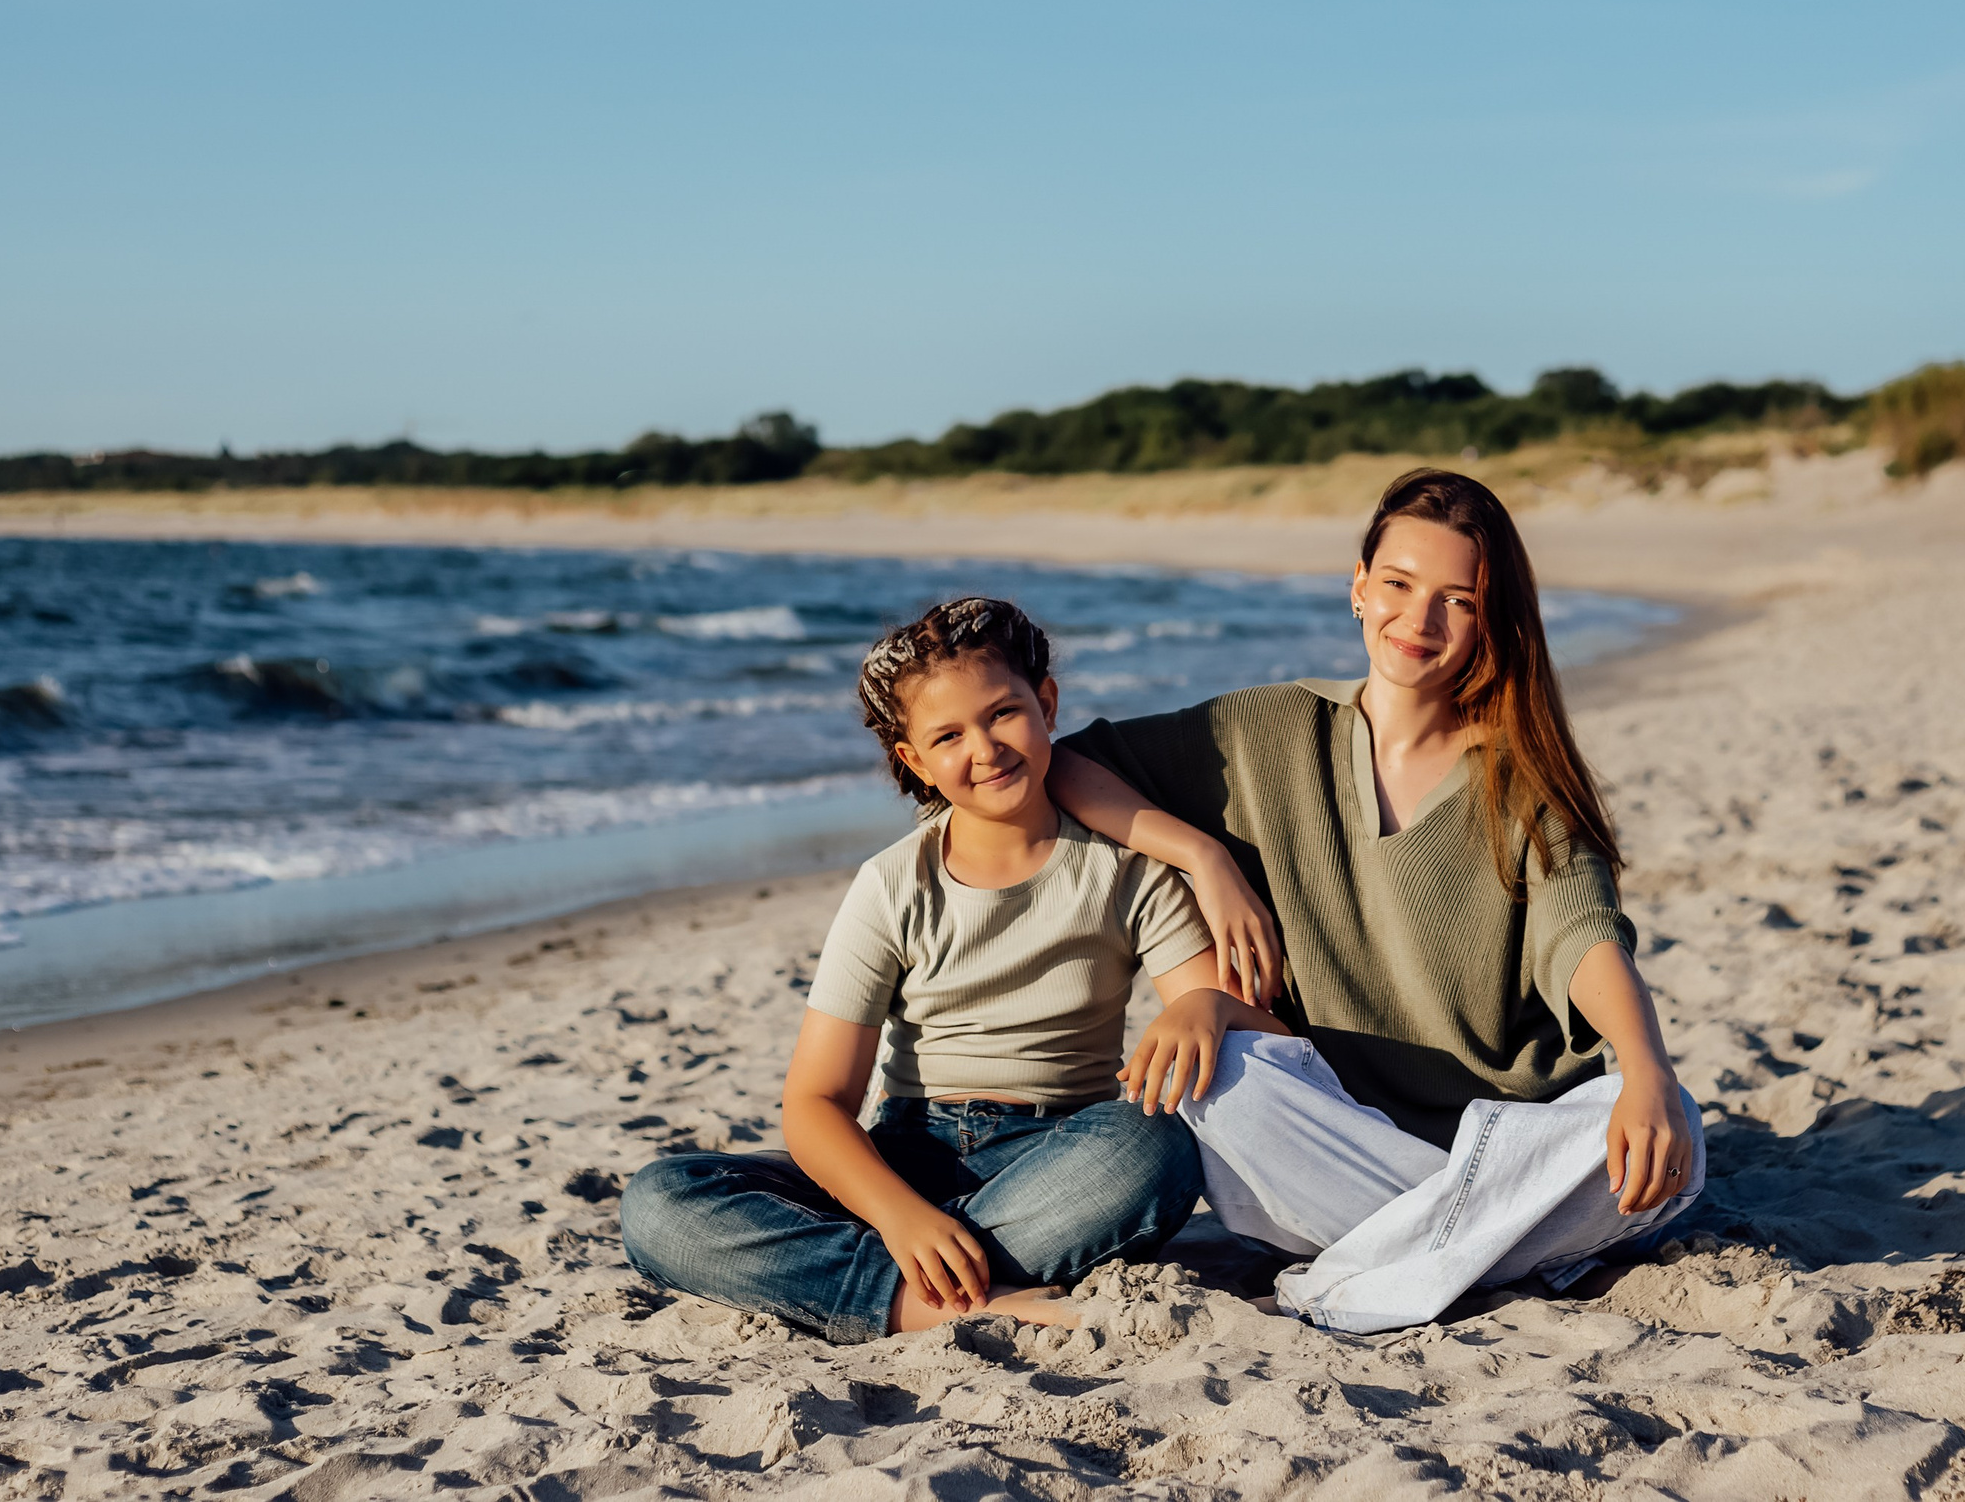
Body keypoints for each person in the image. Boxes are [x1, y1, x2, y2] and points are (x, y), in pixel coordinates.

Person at [1049, 467, 1706, 1333]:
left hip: (1503, 1135)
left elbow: (1581, 934)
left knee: (1675, 1129)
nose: (1419, 620)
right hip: (1336, 1144)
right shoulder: (1263, 732)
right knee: (1219, 1080)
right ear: (1359, 588)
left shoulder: (1520, 781)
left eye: (1456, 600)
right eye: (1397, 584)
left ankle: (1371, 1272)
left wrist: (1646, 1065)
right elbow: (1066, 762)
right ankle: (1487, 1249)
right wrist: (1203, 853)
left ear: (1488, 619)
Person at [618, 596, 1283, 1344]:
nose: (986, 747)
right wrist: (901, 1217)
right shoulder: (892, 884)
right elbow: (815, 1101)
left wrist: (1210, 1006)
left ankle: (895, 1286)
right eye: (948, 735)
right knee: (659, 1200)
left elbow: (1256, 1031)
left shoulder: (1129, 871)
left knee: (1158, 1141)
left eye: (1003, 713)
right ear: (916, 760)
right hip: (903, 1153)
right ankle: (931, 1295)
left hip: (1061, 1160)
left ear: (1047, 703)